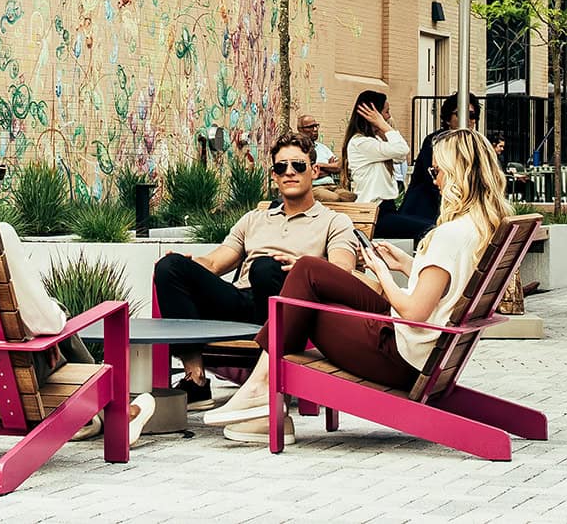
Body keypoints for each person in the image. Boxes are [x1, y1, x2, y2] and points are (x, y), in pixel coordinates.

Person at [203, 128, 513, 443]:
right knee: (309, 272)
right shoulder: (477, 227)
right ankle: (261, 390)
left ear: (457, 173)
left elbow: (415, 312)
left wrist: (381, 272)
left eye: (438, 171)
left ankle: (260, 388)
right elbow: (444, 287)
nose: (434, 179)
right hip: (421, 348)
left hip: (399, 356)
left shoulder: (449, 235)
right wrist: (407, 264)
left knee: (304, 292)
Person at [0, 127, 156, 443]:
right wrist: (53, 323)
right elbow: (46, 321)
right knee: (59, 317)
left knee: (46, 324)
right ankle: (110, 412)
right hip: (3, 379)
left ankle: (89, 414)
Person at [151, 133, 358, 410]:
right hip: (243, 302)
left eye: (297, 165)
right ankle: (196, 379)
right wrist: (187, 264)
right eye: (280, 167)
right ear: (274, 176)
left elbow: (343, 270)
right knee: (169, 266)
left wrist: (304, 267)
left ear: (315, 170)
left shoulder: (334, 222)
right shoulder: (254, 219)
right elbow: (214, 264)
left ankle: (264, 375)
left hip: (289, 308)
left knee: (265, 267)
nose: (289, 173)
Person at [378, 92, 480, 239]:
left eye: (471, 115)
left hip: (452, 211)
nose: (468, 120)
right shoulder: (436, 142)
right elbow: (433, 180)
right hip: (425, 211)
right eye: (461, 114)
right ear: (447, 119)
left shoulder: (474, 145)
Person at [339, 89, 411, 206]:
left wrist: (384, 133)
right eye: (386, 112)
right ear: (374, 114)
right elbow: (402, 149)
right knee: (425, 225)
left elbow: (401, 157)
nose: (389, 116)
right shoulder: (360, 143)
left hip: (387, 205)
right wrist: (384, 126)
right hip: (373, 206)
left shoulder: (375, 140)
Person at [297, 112, 349, 202]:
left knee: (351, 197)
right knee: (334, 199)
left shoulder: (322, 147)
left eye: (316, 126)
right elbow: (306, 172)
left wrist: (321, 166)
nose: (315, 129)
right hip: (313, 187)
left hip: (331, 185)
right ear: (300, 129)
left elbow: (339, 167)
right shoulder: (298, 148)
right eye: (310, 127)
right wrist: (329, 168)